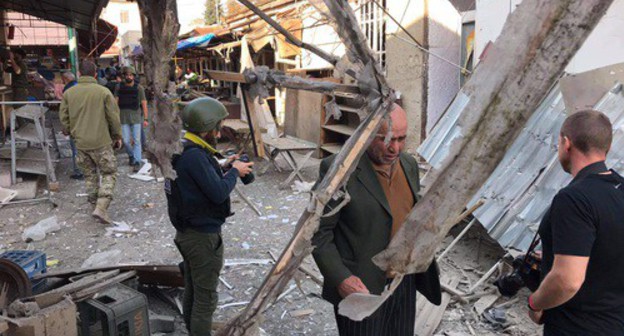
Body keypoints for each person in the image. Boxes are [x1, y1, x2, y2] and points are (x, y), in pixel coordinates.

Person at [312, 104, 441, 336]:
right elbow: (317, 234)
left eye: (402, 139)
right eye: (387, 139)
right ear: (367, 134)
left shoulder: (409, 165)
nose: (395, 148)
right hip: (361, 288)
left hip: (403, 282)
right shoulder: (339, 170)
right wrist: (341, 278)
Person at [528, 110, 624, 335]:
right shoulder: (619, 189)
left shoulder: (574, 199)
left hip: (576, 327)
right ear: (606, 148)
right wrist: (559, 251)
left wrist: (535, 303)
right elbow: (609, 246)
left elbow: (567, 280)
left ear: (566, 143)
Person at [165, 97, 254, 335]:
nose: (219, 131)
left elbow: (199, 180)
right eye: (218, 126)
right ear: (207, 129)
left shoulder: (185, 149)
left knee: (194, 290)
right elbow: (217, 193)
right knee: (206, 300)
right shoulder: (195, 156)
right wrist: (234, 172)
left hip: (188, 233)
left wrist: (224, 167)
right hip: (202, 237)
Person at [60, 60, 122, 224]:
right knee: (109, 173)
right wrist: (117, 136)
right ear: (95, 73)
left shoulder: (69, 93)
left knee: (90, 176)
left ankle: (94, 207)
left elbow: (64, 119)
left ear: (79, 73)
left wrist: (70, 131)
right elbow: (113, 118)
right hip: (101, 141)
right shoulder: (104, 92)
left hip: (81, 143)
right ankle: (101, 207)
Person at [114, 66, 148, 172]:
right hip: (123, 117)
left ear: (133, 76)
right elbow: (115, 102)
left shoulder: (139, 88)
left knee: (137, 140)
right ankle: (131, 156)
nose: (129, 77)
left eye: (131, 75)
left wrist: (146, 118)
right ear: (124, 76)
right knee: (126, 141)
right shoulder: (119, 87)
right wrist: (114, 117)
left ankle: (137, 161)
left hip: (136, 117)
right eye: (127, 75)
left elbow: (144, 103)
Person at [60, 72, 83, 180]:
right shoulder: (81, 87)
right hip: (85, 121)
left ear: (66, 78)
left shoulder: (68, 90)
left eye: (63, 79)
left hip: (74, 123)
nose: (62, 81)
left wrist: (65, 126)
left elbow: (65, 110)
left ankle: (79, 171)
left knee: (76, 148)